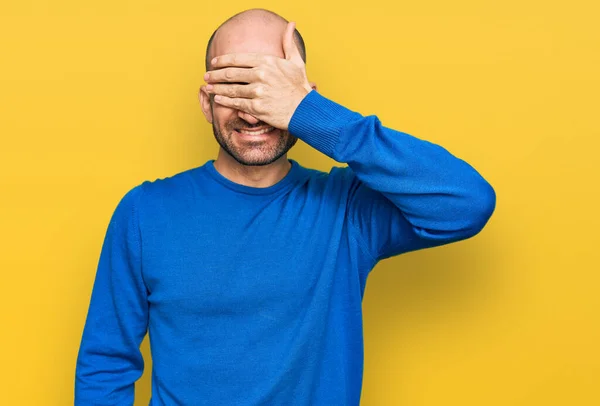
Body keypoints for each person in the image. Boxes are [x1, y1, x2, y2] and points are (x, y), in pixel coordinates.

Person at [75, 8, 496, 406]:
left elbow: (466, 202)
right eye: (235, 85)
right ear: (206, 102)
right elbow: (105, 363)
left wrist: (309, 113)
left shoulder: (347, 211)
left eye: (268, 88)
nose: (253, 111)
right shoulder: (144, 213)